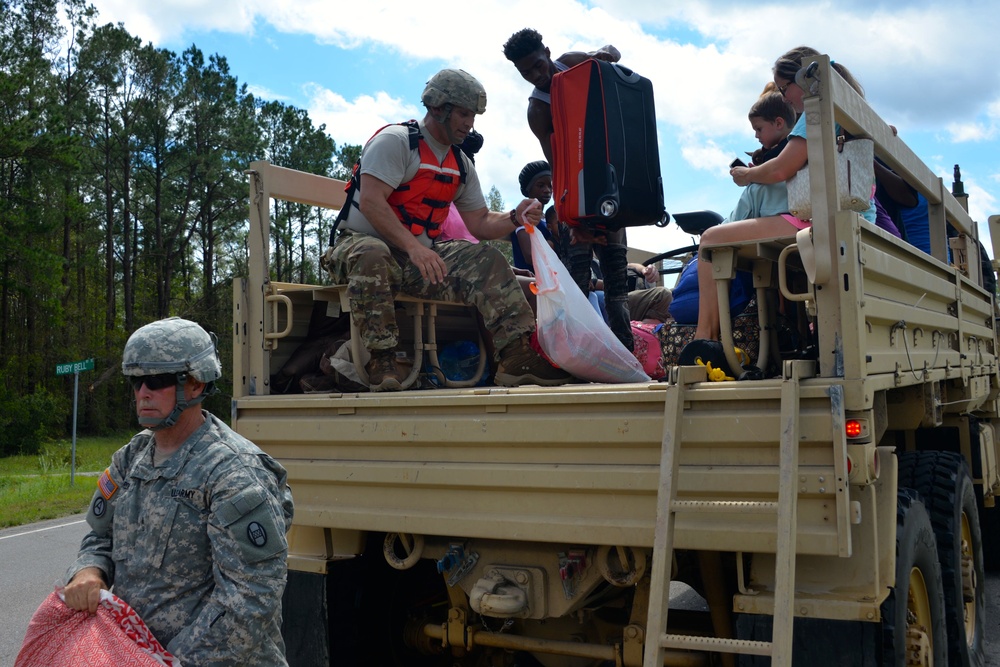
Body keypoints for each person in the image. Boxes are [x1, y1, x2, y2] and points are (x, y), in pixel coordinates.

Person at [62, 317, 295, 666]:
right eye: (137, 381)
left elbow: (252, 595)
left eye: (156, 380)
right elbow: (99, 538)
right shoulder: (131, 459)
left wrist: (175, 661)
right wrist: (89, 572)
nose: (143, 393)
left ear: (196, 384)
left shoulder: (232, 472)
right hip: (138, 656)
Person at [322, 68, 571, 390]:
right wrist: (415, 247)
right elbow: (371, 202)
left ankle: (515, 356)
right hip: (359, 247)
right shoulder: (397, 142)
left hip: (416, 259)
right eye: (464, 114)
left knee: (487, 258)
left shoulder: (460, 165)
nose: (469, 124)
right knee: (373, 253)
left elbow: (480, 224)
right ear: (438, 108)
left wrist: (514, 217)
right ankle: (382, 360)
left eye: (473, 116)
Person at [692, 47, 874, 344]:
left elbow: (781, 169)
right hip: (851, 215)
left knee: (711, 238)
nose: (785, 97)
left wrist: (747, 175)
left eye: (784, 87)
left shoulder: (817, 108)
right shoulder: (848, 106)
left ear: (803, 78)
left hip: (823, 218)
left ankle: (705, 339)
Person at [503, 28, 634, 352]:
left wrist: (604, 55)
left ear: (548, 52)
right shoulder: (538, 111)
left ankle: (626, 355)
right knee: (577, 286)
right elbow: (559, 166)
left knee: (616, 280)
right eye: (526, 72)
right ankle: (576, 356)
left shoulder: (572, 63)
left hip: (609, 188)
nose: (536, 75)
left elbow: (613, 52)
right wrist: (576, 222)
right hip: (576, 200)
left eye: (537, 65)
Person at [510, 160, 554, 272]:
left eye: (550, 186)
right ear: (528, 188)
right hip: (533, 282)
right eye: (541, 185)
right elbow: (530, 256)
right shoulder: (523, 215)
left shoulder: (549, 217)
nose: (547, 190)